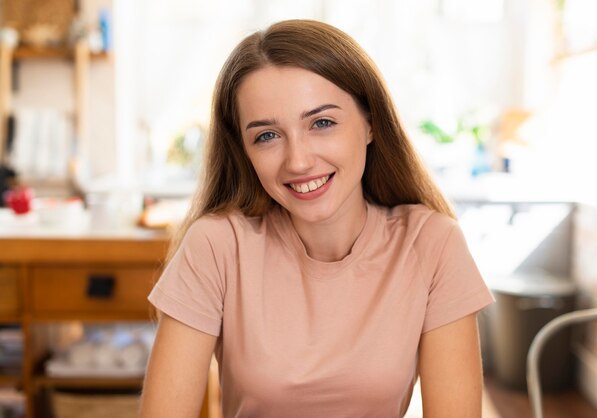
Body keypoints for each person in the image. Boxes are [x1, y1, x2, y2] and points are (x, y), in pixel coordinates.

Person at [140, 19, 493, 418]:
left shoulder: (432, 243)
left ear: (371, 122)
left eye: (322, 123)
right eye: (267, 135)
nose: (299, 160)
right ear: (244, 150)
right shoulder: (217, 245)